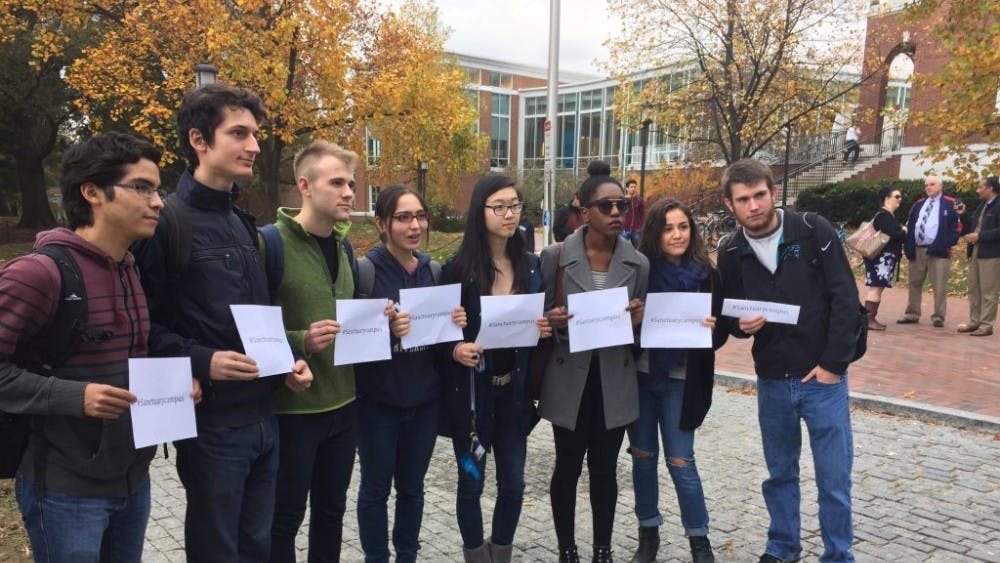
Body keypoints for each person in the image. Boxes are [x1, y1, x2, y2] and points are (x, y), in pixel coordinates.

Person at [135, 84, 313, 562]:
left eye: (255, 134)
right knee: (217, 551)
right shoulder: (164, 223)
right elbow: (141, 330)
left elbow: (257, 319)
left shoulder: (242, 224)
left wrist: (288, 362)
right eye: (239, 133)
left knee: (260, 547)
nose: (254, 146)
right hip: (212, 427)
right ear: (198, 139)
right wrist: (203, 361)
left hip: (264, 418)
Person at [0, 132, 197, 562]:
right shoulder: (39, 274)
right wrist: (76, 396)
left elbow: (127, 359)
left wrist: (178, 385)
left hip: (133, 481)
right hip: (65, 491)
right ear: (92, 192)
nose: (158, 202)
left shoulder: (130, 267)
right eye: (142, 187)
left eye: (158, 189)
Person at [716, 159, 858, 563]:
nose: (754, 205)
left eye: (760, 195)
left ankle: (838, 554)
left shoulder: (812, 231)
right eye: (743, 199)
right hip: (773, 380)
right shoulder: (730, 250)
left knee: (833, 479)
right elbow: (729, 314)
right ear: (730, 205)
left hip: (822, 379)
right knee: (780, 475)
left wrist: (833, 365)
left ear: (774, 193)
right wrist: (741, 325)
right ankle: (782, 547)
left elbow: (845, 300)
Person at [268, 141, 376, 562]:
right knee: (285, 518)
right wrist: (299, 341)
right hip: (293, 414)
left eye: (351, 183)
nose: (349, 192)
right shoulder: (269, 245)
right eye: (337, 183)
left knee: (331, 515)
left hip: (345, 406)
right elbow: (247, 328)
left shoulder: (346, 247)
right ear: (305, 186)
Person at [538, 161, 649, 563]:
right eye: (607, 206)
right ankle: (567, 549)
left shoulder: (638, 264)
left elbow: (642, 333)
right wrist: (551, 320)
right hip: (569, 378)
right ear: (584, 212)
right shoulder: (554, 257)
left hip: (613, 381)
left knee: (604, 470)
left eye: (622, 204)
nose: (617, 212)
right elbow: (542, 315)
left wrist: (638, 320)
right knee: (566, 468)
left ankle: (602, 549)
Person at [441, 175, 552, 563]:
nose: (510, 214)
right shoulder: (457, 269)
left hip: (515, 396)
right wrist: (455, 348)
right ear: (480, 211)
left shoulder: (531, 266)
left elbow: (539, 330)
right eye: (499, 206)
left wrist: (544, 329)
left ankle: (500, 552)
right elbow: (440, 335)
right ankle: (476, 555)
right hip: (472, 399)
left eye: (515, 206)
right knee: (471, 482)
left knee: (515, 484)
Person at [354, 185, 466, 563]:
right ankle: (376, 558)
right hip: (378, 404)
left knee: (413, 489)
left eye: (419, 216)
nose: (415, 225)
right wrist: (386, 331)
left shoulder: (432, 271)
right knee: (374, 489)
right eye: (403, 217)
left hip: (424, 402)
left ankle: (407, 555)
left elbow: (440, 345)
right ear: (382, 224)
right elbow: (350, 341)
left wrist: (454, 328)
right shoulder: (365, 272)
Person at [628, 199, 727, 563]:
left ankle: (699, 539)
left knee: (681, 461)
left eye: (683, 226)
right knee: (642, 459)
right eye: (668, 228)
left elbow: (720, 336)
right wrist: (634, 321)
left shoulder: (707, 275)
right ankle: (648, 532)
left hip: (683, 381)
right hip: (641, 376)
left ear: (692, 229)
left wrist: (713, 329)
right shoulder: (641, 272)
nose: (676, 234)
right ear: (655, 232)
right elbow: (624, 330)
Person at [897, 175, 962, 328]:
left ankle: (939, 316)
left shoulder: (952, 203)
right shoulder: (918, 204)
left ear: (940, 186)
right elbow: (910, 224)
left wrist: (944, 244)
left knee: (939, 284)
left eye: (932, 184)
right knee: (914, 282)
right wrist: (908, 245)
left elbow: (957, 228)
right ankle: (912, 313)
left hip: (938, 251)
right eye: (926, 185)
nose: (928, 187)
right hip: (917, 249)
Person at [956, 176, 1000, 336]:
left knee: (989, 290)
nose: (978, 190)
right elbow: (971, 227)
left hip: (991, 253)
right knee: (974, 288)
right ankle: (974, 322)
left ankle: (987, 325)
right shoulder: (982, 205)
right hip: (975, 251)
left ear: (991, 189)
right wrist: (963, 214)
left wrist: (980, 236)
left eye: (981, 187)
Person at [862, 187, 907, 330]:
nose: (900, 199)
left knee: (877, 287)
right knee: (876, 287)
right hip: (880, 259)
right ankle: (869, 319)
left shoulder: (886, 215)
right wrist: (904, 231)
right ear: (887, 199)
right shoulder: (884, 216)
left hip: (882, 259)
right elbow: (894, 235)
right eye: (897, 196)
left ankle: (870, 318)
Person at [622, 178, 646, 247]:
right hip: (624, 230)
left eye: (635, 187)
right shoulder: (623, 200)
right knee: (623, 249)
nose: (633, 189)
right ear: (627, 188)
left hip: (636, 230)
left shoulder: (639, 200)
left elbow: (643, 214)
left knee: (638, 249)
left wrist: (640, 226)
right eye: (631, 187)